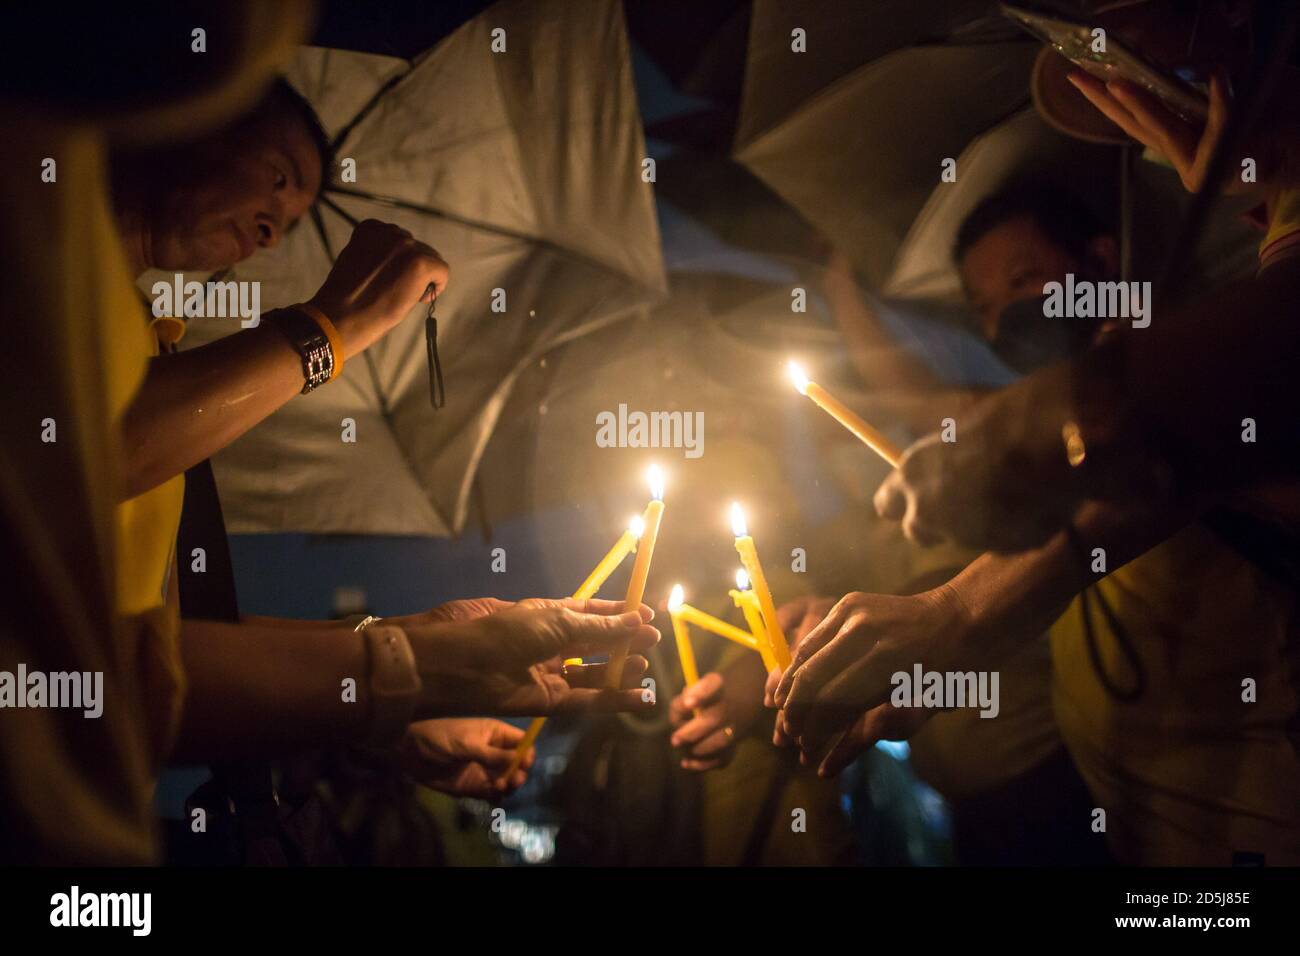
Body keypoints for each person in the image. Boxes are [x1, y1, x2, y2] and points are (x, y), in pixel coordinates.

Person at [770, 16, 1300, 863]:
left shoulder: (1199, 342)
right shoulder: (1263, 243)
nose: (1137, 94)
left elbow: (1229, 420)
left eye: (1159, 55)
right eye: (987, 309)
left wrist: (961, 613)